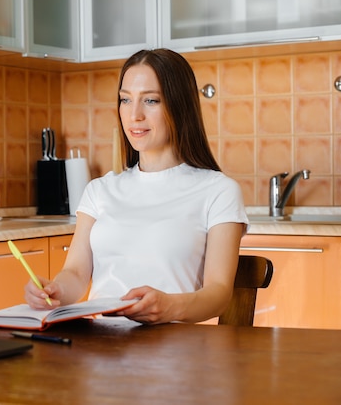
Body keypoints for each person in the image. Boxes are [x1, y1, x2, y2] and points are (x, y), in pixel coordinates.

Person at [25, 49, 248, 325]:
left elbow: (219, 293)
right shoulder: (99, 190)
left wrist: (169, 307)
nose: (134, 115)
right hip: (101, 349)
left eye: (150, 100)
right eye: (125, 100)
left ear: (179, 106)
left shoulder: (218, 191)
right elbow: (76, 273)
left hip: (175, 353)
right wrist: (55, 290)